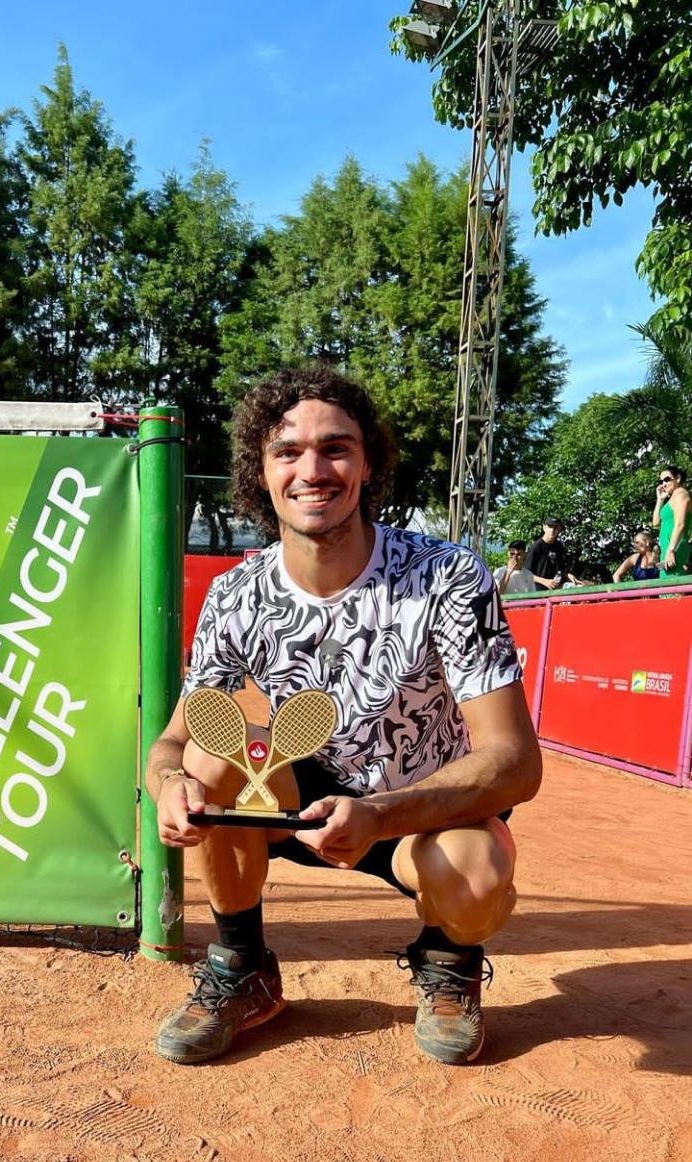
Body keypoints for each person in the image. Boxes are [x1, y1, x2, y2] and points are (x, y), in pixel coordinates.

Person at [146, 365, 542, 1068]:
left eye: (335, 447)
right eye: (287, 451)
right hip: (299, 801)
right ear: (261, 473)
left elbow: (514, 759)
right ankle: (244, 968)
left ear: (366, 464)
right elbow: (175, 738)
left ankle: (448, 959)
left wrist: (381, 816)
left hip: (421, 808)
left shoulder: (446, 576)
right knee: (210, 757)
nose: (312, 469)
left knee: (478, 876)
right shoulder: (237, 593)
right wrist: (170, 783)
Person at [652, 466, 691, 578]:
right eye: (661, 481)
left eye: (667, 479)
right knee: (667, 591)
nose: (663, 484)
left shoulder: (681, 494)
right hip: (667, 550)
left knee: (674, 591)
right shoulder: (672, 498)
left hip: (675, 550)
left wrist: (671, 550)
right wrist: (660, 499)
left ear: (678, 478)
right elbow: (656, 523)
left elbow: (680, 524)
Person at [526, 518, 578, 590]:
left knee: (579, 588)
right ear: (544, 528)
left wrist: (567, 575)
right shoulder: (536, 547)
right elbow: (526, 574)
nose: (552, 530)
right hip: (537, 591)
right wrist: (545, 581)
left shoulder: (559, 547)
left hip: (556, 588)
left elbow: (559, 571)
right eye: (550, 527)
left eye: (556, 528)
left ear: (559, 530)